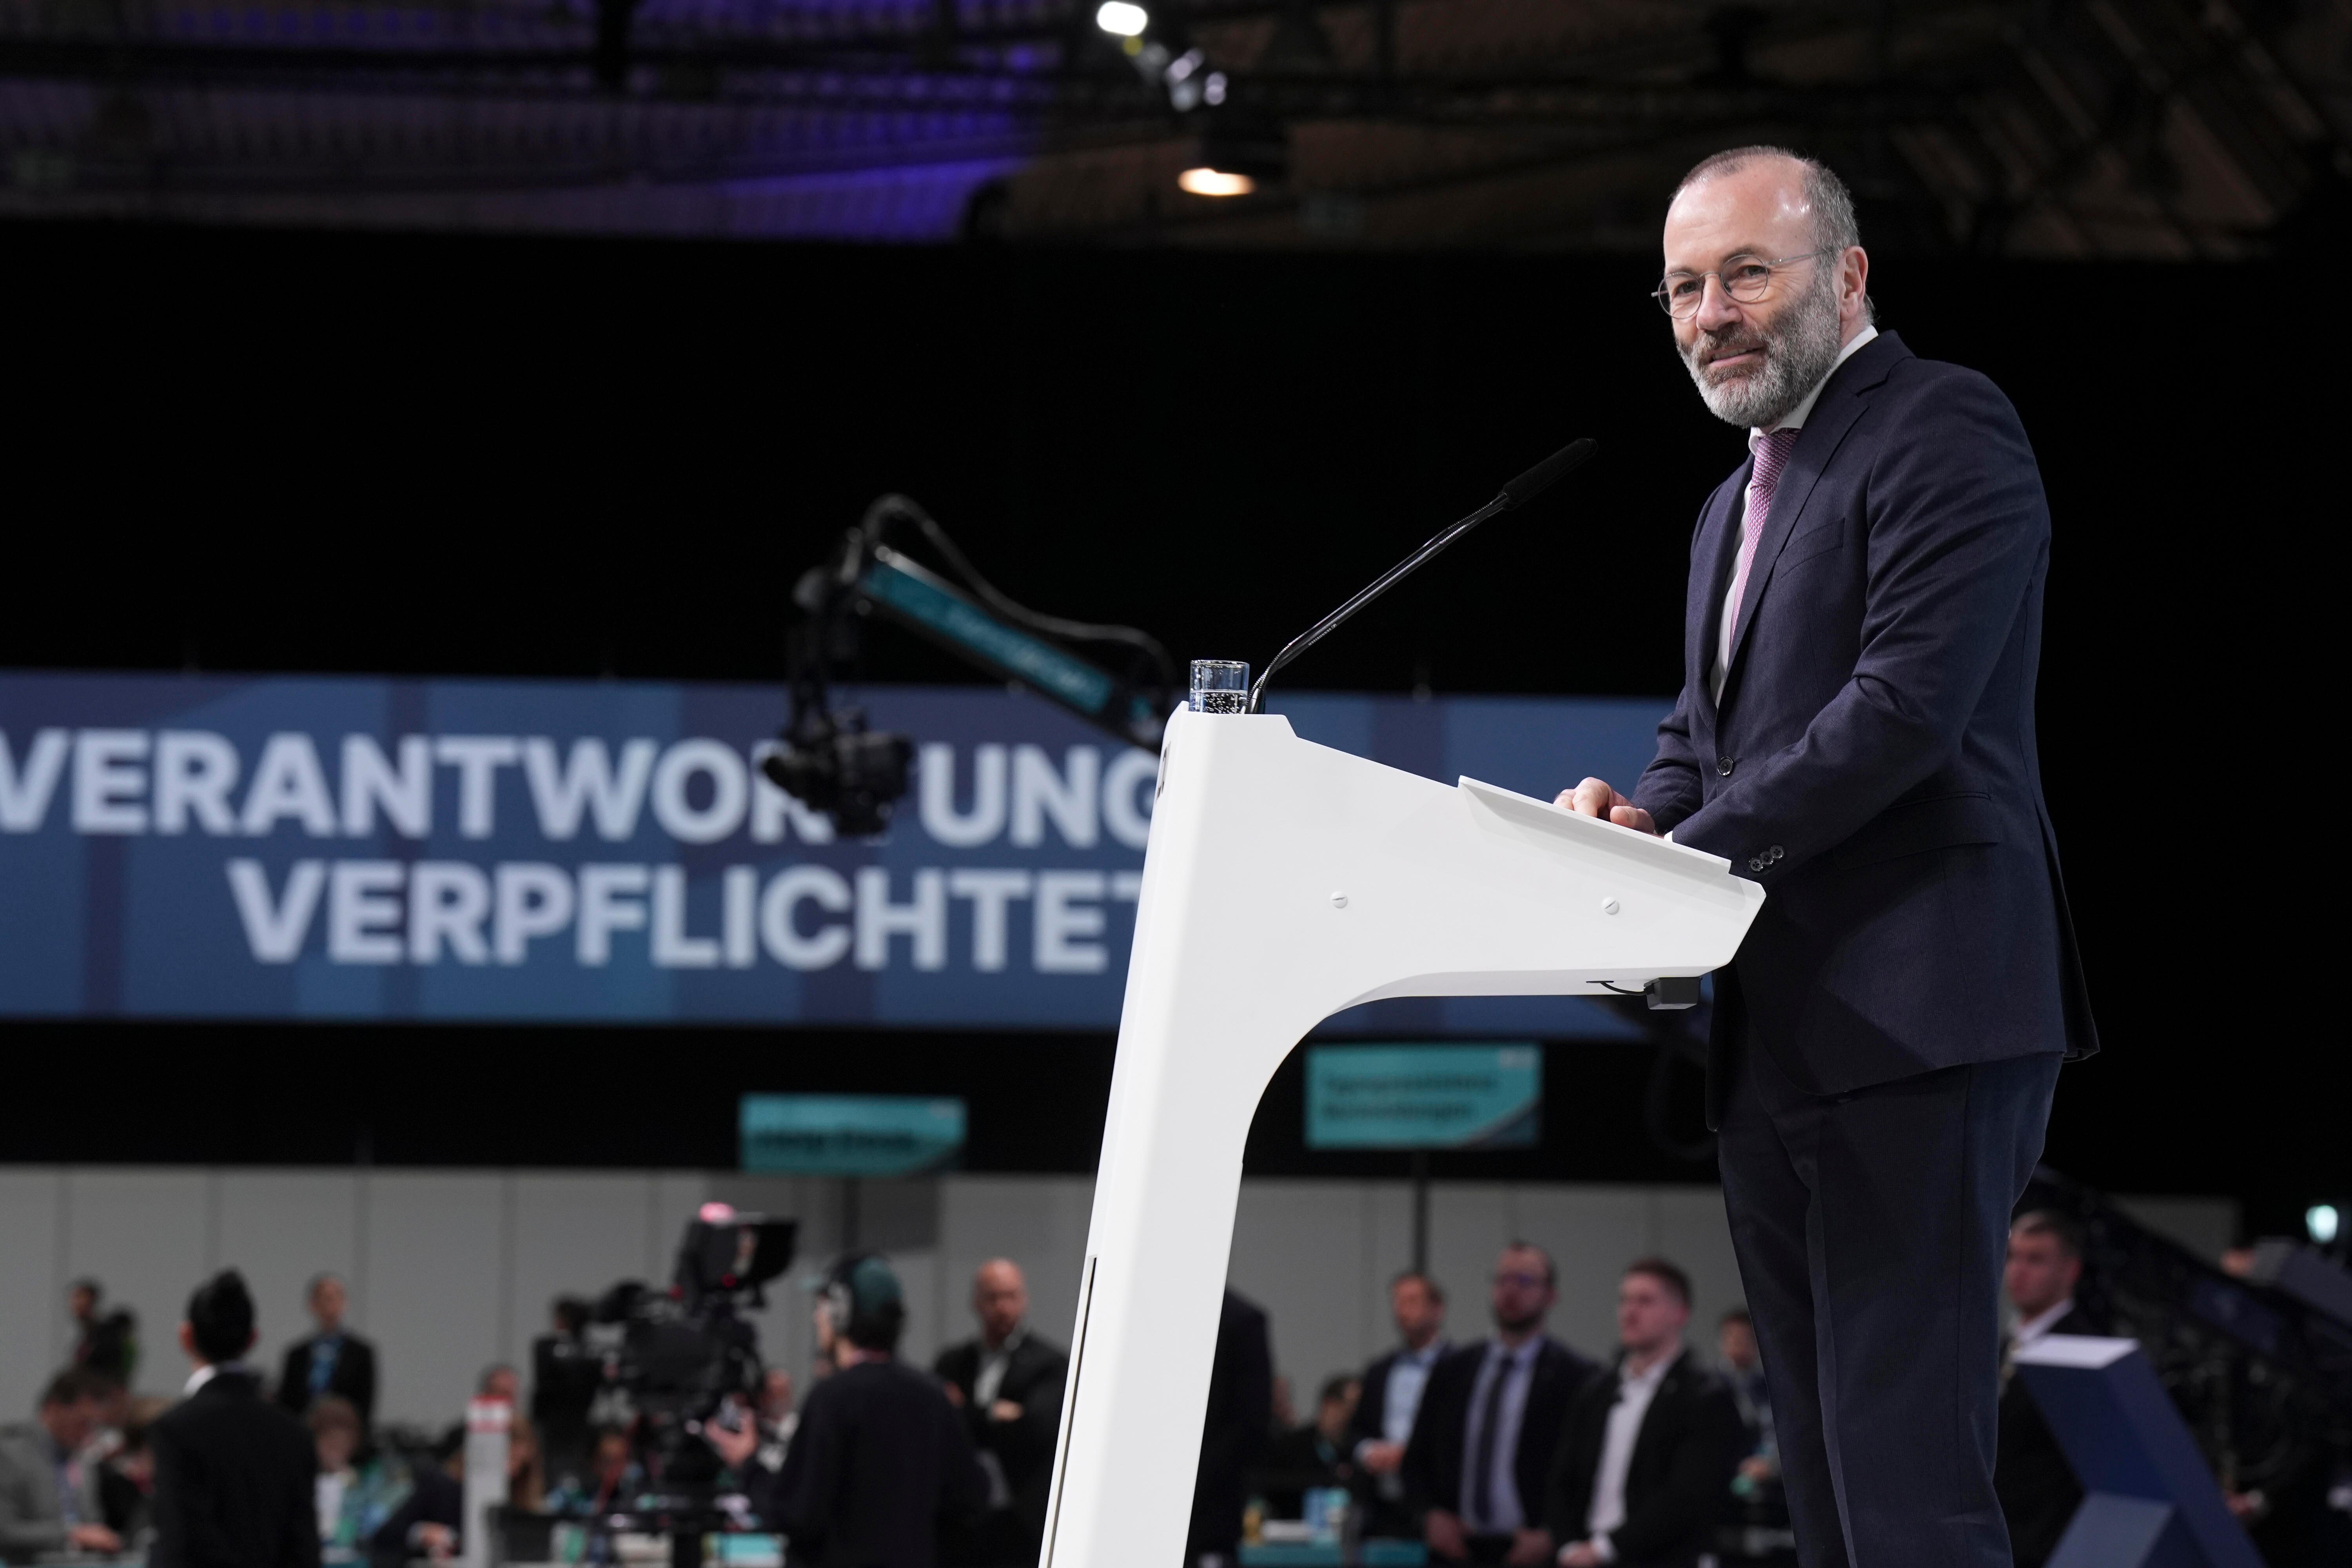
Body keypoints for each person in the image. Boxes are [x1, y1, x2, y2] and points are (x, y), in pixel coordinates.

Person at [1554, 145, 2096, 1568]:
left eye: (1746, 271)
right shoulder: (1727, 504)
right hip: (1779, 1034)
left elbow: (1902, 710)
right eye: (1683, 285)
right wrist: (1631, 827)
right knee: (1828, 1498)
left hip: (1920, 1012)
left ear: (1844, 275)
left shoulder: (1941, 424)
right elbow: (1700, 737)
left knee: (1907, 1491)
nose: (1711, 311)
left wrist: (1683, 858)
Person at [708, 1254, 985, 1568]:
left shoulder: (833, 1398)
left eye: (822, 1305)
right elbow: (972, 1499)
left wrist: (749, 1465)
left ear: (840, 1311)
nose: (817, 1317)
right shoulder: (934, 1396)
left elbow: (796, 1513)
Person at [1543, 1259, 1746, 1568]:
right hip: (1584, 1555)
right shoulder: (1596, 1390)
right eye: (1624, 1300)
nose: (1629, 1311)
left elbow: (1687, 1498)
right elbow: (1562, 1477)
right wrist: (1568, 1546)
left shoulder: (1706, 1397)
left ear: (1680, 1313)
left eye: (1645, 1301)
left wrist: (1603, 1549)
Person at [1402, 1243, 1596, 1564]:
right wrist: (1428, 1516)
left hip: (1532, 1546)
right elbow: (1416, 1458)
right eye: (1503, 1280)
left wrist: (1554, 1533)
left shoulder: (1576, 1377)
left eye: (1524, 1282)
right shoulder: (1454, 1369)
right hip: (1458, 1544)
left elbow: (1587, 1473)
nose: (1510, 1291)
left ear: (1550, 1296)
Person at [149, 1269, 321, 1568]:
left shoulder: (176, 1428)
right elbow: (304, 1550)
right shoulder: (295, 1434)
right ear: (253, 1339)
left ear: (186, 1336)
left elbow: (181, 1544)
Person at [932, 1259, 1069, 1568]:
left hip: (1021, 1522)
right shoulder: (953, 1363)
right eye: (993, 1297)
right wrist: (995, 1415)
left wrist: (965, 1410)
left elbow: (1035, 1431)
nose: (1003, 1307)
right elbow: (937, 1428)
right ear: (976, 1302)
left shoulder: (1049, 1363)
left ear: (1025, 1300)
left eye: (1011, 1296)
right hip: (961, 1523)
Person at [1994, 1212, 2096, 1568]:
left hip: (2042, 1546)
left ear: (2070, 1271)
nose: (2018, 1271)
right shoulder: (2000, 1345)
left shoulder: (2085, 1354)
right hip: (1996, 1538)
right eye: (2013, 1256)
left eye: (2035, 1259)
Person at [1349, 1271, 1451, 1538]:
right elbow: (1356, 1431)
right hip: (1383, 1501)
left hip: (1439, 1505)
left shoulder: (1459, 1369)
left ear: (1437, 1309)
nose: (1402, 1311)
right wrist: (1369, 1451)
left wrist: (1410, 1454)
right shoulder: (1379, 1370)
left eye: (1413, 1301)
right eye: (1398, 1302)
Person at [0, 1366, 122, 1562]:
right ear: (53, 1408)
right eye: (82, 1422)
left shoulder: (82, 1460)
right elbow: (6, 1532)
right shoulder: (11, 1455)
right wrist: (71, 1534)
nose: (88, 1434)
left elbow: (92, 1522)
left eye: (94, 1426)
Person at [1189, 1288, 1274, 1568]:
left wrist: (1193, 1479)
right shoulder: (1141, 1310)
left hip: (1211, 1511)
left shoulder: (1240, 1321)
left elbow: (1250, 1422)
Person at [307, 1397, 412, 1565]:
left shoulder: (366, 1479)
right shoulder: (303, 1479)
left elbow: (401, 1488)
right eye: (331, 1445)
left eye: (344, 1445)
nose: (337, 1453)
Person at [276, 1276, 378, 1430]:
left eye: (335, 1298)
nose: (330, 1304)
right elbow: (287, 1402)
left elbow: (365, 1404)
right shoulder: (297, 1354)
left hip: (344, 1435)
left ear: (345, 1303)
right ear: (313, 1305)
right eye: (324, 1298)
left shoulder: (361, 1353)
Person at [1258, 1375, 1361, 1520]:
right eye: (1348, 1405)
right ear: (1329, 1403)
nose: (1352, 1413)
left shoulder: (1358, 1449)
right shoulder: (1291, 1445)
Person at [529, 1297, 599, 1482]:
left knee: (573, 1469)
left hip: (578, 1422)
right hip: (550, 1421)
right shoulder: (547, 1347)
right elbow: (545, 1378)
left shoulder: (591, 1351)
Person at [69, 1280, 138, 1390]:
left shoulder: (106, 1333)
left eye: (80, 1297)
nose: (75, 1303)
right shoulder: (89, 1334)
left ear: (92, 1300)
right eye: (74, 1298)